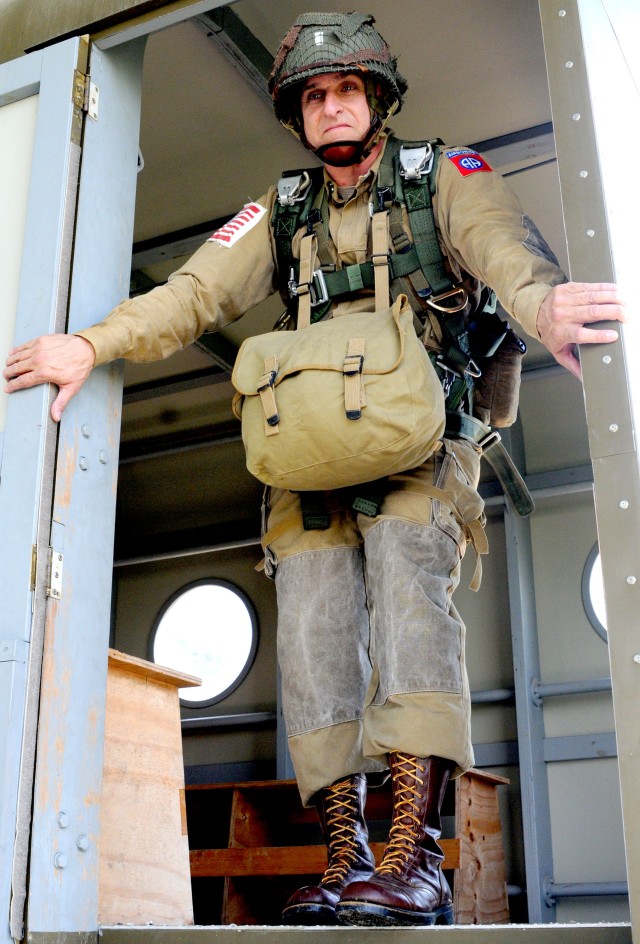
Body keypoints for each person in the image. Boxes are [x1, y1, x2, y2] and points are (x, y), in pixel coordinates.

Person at [4, 11, 626, 929]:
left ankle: (415, 859)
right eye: (314, 95)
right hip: (307, 459)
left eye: (347, 89)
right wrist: (90, 347)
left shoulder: (441, 177)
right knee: (310, 635)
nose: (332, 106)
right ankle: (349, 860)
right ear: (298, 114)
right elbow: (195, 295)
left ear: (376, 97)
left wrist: (544, 306)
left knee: (414, 604)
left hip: (422, 443)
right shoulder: (280, 208)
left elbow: (501, 246)